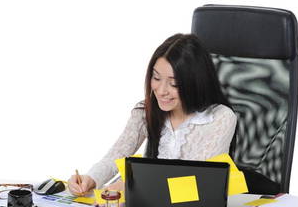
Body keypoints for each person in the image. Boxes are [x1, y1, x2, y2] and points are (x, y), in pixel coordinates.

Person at [68, 33, 237, 196]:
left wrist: (133, 186)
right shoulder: (145, 110)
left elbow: (199, 181)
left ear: (195, 82)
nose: (161, 91)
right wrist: (91, 179)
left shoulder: (221, 117)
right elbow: (116, 155)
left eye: (174, 83)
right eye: (156, 78)